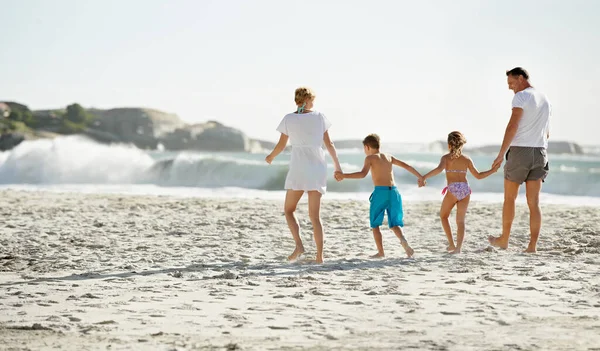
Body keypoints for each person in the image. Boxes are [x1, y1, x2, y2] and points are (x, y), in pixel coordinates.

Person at [265, 87, 342, 263]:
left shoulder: (288, 118)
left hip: (299, 167)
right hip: (317, 168)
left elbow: (281, 145)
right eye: (312, 100)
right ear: (307, 100)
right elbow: (329, 145)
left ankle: (299, 245)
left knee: (289, 210)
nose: (314, 103)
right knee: (315, 216)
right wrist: (337, 167)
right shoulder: (320, 117)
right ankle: (319, 257)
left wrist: (271, 156)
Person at [488, 67, 551, 253]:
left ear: (521, 78)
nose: (510, 88)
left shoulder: (521, 97)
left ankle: (504, 239)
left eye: (511, 83)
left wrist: (501, 154)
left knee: (510, 198)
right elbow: (547, 133)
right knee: (534, 202)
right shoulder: (545, 99)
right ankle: (532, 246)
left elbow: (513, 125)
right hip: (540, 152)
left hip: (520, 151)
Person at [334, 134, 422, 258]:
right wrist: (420, 177)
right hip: (394, 192)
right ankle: (404, 243)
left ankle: (381, 252)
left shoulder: (370, 158)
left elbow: (362, 174)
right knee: (394, 224)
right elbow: (407, 166)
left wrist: (344, 176)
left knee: (375, 224)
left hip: (380, 192)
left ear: (367, 147)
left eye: (364, 149)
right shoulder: (388, 157)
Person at [421, 131, 499, 254]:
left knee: (443, 216)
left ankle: (452, 244)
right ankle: (458, 248)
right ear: (462, 145)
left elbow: (438, 169)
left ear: (449, 145)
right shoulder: (467, 159)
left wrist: (424, 177)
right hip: (465, 189)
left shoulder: (446, 158)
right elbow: (478, 176)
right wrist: (493, 170)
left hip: (453, 189)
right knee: (460, 221)